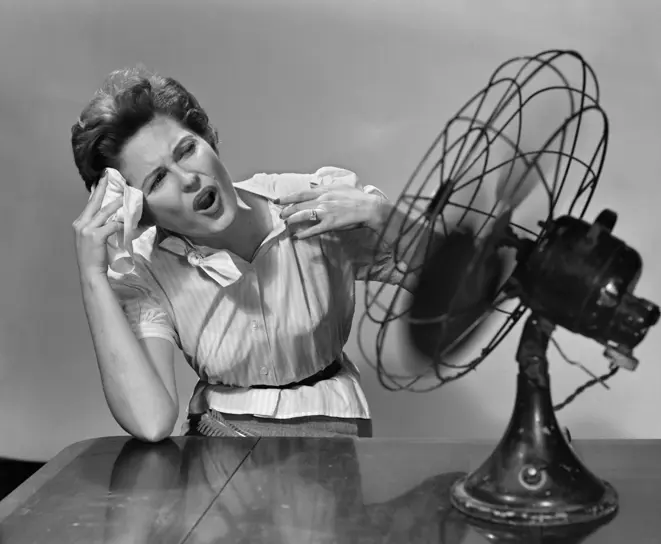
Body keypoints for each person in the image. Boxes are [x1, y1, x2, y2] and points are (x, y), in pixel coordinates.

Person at [70, 67, 429, 442]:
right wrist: (93, 276)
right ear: (137, 210)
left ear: (206, 138)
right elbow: (152, 421)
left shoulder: (312, 199)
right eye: (158, 180)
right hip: (218, 443)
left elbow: (455, 282)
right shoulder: (146, 267)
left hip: (333, 430)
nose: (188, 178)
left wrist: (382, 216)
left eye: (187, 150)